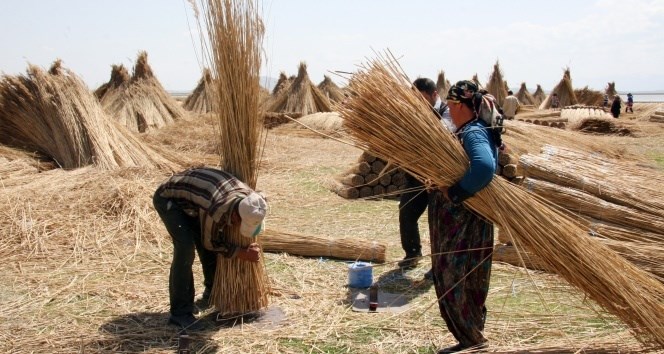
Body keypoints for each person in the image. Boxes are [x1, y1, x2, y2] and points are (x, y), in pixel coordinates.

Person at [428, 80, 497, 353]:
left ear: (458, 105)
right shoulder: (471, 130)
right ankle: (471, 337)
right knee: (464, 278)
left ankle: (472, 339)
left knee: (456, 277)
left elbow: (483, 167)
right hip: (464, 226)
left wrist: (454, 194)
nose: (448, 109)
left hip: (464, 227)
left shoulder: (473, 132)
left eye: (450, 104)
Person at [153, 167, 268, 330]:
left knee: (205, 241)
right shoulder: (218, 210)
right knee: (185, 250)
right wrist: (241, 252)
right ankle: (180, 313)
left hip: (196, 199)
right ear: (235, 215)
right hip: (170, 199)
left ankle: (211, 292)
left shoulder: (255, 200)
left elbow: (263, 196)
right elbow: (211, 244)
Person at [398, 77, 450, 281]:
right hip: (416, 175)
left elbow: (443, 139)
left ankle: (438, 265)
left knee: (436, 223)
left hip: (438, 178)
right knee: (406, 213)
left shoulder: (446, 112)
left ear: (434, 94)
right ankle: (412, 252)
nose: (417, 102)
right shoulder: (415, 113)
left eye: (421, 98)